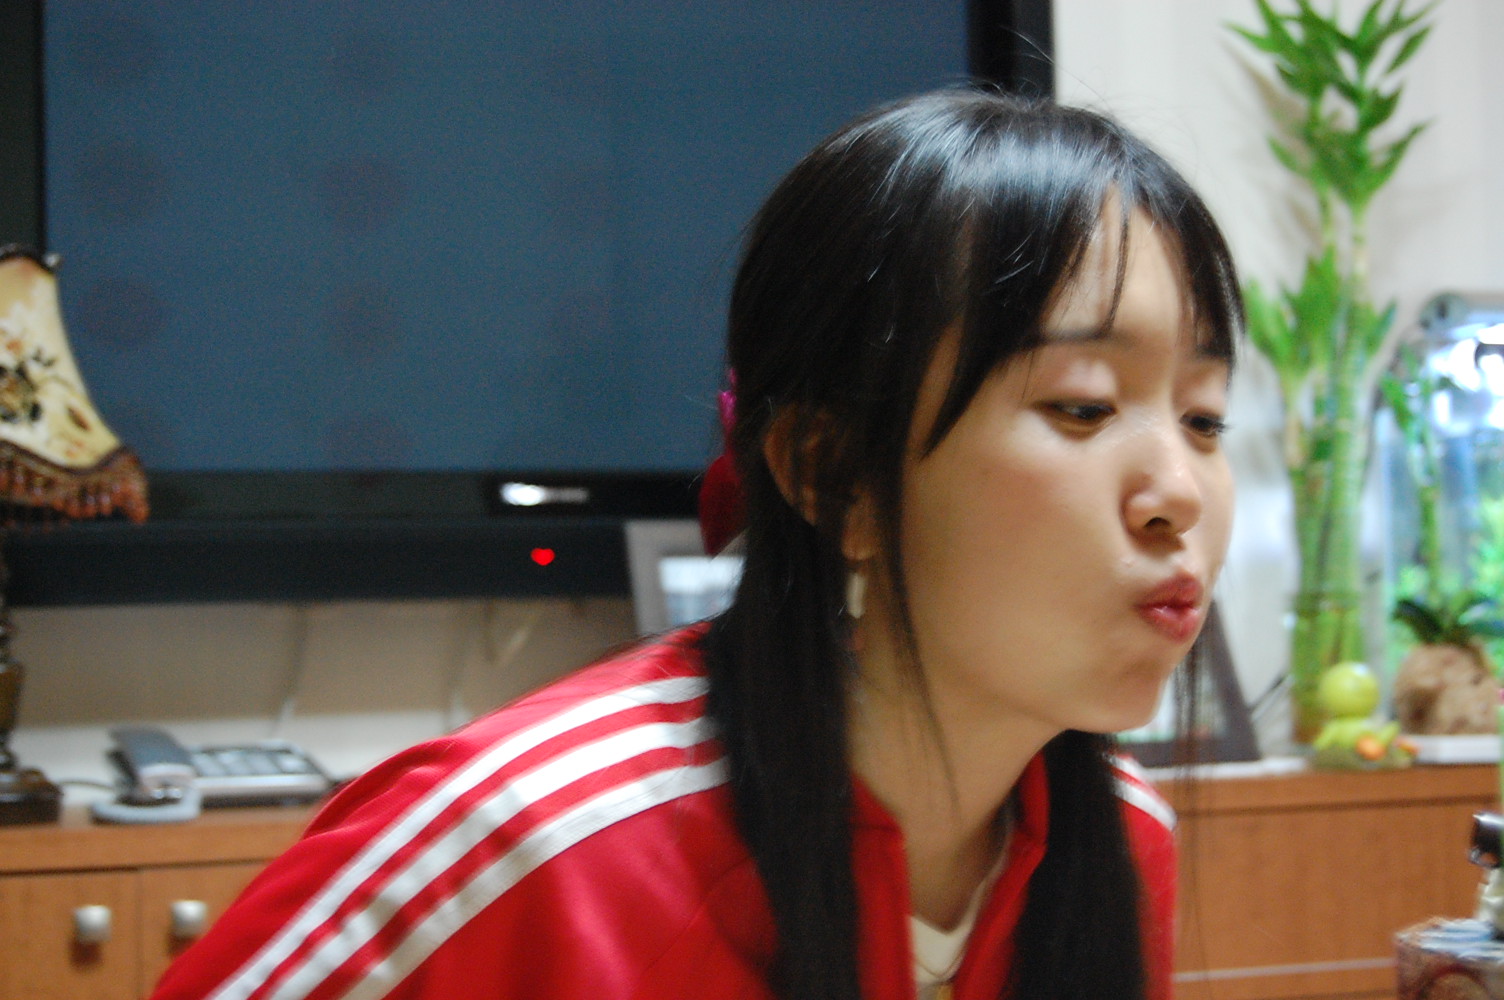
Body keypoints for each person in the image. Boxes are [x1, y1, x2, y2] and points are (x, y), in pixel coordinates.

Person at [149, 87, 1239, 1000]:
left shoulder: (1122, 840)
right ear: (833, 476)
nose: (1180, 492)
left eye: (1204, 418)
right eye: (1083, 406)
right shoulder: (529, 840)